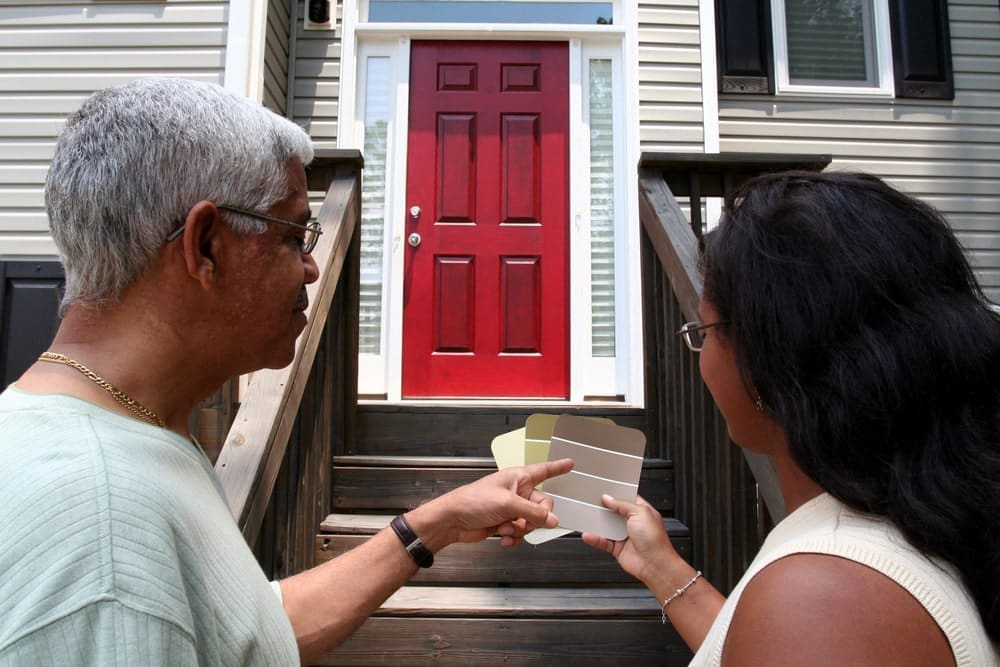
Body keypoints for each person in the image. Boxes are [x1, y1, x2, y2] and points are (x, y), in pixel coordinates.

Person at [0, 78, 572, 665]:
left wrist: (438, 523)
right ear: (206, 246)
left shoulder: (125, 432)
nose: (311, 269)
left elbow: (245, 637)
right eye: (296, 234)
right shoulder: (107, 537)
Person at [583, 171, 1000, 665]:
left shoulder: (828, 598)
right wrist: (662, 569)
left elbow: (810, 632)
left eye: (704, 329)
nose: (701, 352)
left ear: (767, 362)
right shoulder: (910, 521)